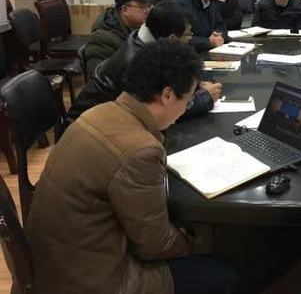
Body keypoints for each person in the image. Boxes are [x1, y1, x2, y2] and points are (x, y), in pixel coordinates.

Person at [26, 41, 237, 294]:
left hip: (57, 260)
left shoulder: (98, 113)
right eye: (189, 99)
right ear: (167, 95)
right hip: (92, 281)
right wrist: (198, 240)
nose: (187, 107)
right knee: (222, 272)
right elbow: (155, 245)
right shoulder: (140, 151)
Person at [67, 0, 222, 124]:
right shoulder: (137, 61)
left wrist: (193, 85)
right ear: (172, 39)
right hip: (89, 128)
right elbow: (157, 112)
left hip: (109, 121)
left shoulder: (147, 38)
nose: (190, 40)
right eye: (188, 35)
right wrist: (204, 99)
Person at [85, 0, 160, 77]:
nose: (147, 11)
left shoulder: (136, 27)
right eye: (142, 7)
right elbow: (99, 79)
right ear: (125, 9)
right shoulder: (102, 38)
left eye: (148, 6)